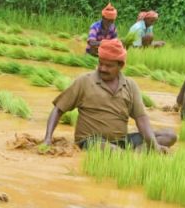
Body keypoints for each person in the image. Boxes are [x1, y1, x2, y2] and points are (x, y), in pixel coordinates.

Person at [43, 38, 177, 152]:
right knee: (113, 151)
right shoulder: (84, 81)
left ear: (120, 66)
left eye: (108, 66)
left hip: (121, 141)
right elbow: (58, 109)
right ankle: (134, 155)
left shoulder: (130, 85)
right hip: (91, 141)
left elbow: (141, 118)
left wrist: (153, 145)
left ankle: (137, 154)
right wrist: (47, 139)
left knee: (170, 136)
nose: (102, 69)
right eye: (100, 64)